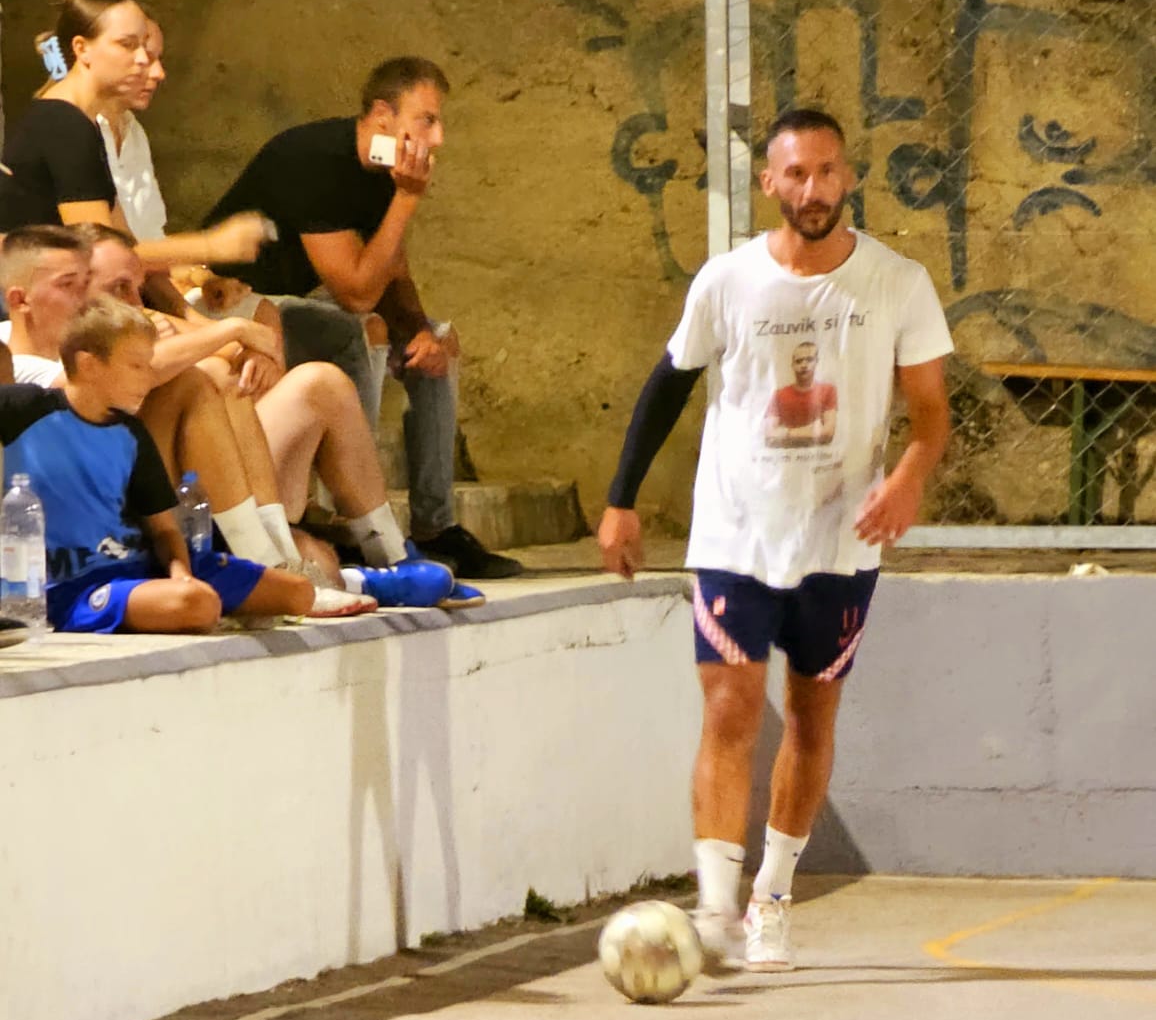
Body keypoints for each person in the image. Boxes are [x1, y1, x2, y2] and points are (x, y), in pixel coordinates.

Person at [597, 108, 953, 972]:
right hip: (736, 530)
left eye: (827, 171)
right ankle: (716, 909)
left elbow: (931, 413)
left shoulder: (897, 283)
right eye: (796, 174)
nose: (813, 189)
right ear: (769, 184)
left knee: (812, 713)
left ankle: (773, 895)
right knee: (729, 707)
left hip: (840, 535)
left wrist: (909, 478)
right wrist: (621, 500)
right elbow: (669, 383)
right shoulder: (728, 281)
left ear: (849, 177)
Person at [203, 55, 522, 580]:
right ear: (381, 115)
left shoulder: (382, 174)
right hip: (234, 305)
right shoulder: (316, 163)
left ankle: (436, 528)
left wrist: (418, 333)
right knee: (359, 328)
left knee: (436, 341)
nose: (438, 138)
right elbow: (355, 292)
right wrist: (407, 200)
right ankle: (354, 518)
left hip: (297, 304)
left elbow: (392, 273)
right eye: (427, 120)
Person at [81, 224, 469, 607]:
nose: (134, 300)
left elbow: (252, 345)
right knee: (210, 377)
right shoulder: (72, 341)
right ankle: (277, 569)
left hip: (217, 492)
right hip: (148, 514)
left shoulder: (145, 318)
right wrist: (230, 332)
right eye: (119, 288)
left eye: (138, 286)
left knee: (322, 383)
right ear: (74, 286)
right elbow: (152, 369)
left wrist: (251, 352)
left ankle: (391, 557)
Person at [0, 296, 328, 634]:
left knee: (299, 594)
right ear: (89, 364)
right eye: (136, 367)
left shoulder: (130, 434)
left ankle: (188, 600)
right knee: (196, 605)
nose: (147, 378)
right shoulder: (24, 408)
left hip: (145, 566)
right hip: (78, 584)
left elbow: (164, 529)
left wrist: (181, 573)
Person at [0, 0, 269, 274]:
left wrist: (185, 301)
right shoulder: (62, 123)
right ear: (82, 48)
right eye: (127, 45)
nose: (144, 61)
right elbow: (101, 256)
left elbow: (122, 242)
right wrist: (210, 246)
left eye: (144, 46)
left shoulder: (83, 124)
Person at [765, 339, 837, 447]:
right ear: (792, 365)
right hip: (786, 454)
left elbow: (828, 433)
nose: (804, 365)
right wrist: (811, 430)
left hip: (819, 454)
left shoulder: (828, 390)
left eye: (809, 360)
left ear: (817, 362)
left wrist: (785, 432)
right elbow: (769, 434)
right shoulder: (779, 394)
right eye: (799, 361)